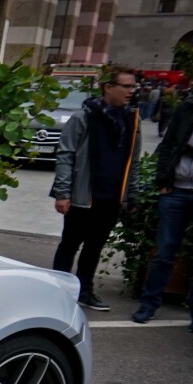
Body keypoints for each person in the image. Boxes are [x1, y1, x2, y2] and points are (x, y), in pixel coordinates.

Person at [50, 65, 142, 312]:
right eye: (126, 86)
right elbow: (66, 155)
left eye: (133, 86)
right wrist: (63, 193)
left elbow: (134, 159)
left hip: (111, 198)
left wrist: (131, 195)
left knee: (95, 247)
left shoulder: (132, 119)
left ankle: (84, 291)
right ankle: (57, 291)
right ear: (108, 87)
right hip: (83, 196)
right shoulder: (84, 117)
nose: (131, 91)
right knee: (69, 244)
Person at [131, 64, 193, 332]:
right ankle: (149, 304)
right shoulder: (188, 106)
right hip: (176, 190)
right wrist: (163, 182)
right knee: (163, 253)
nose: (192, 83)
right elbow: (168, 144)